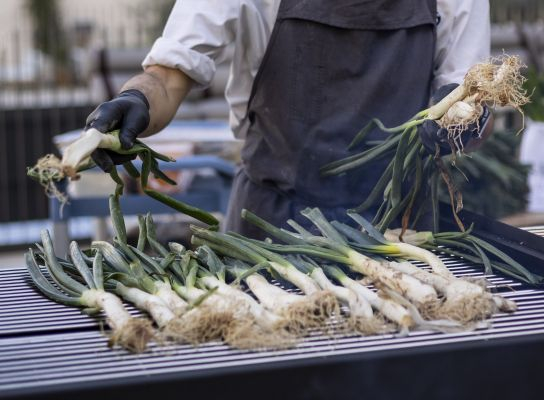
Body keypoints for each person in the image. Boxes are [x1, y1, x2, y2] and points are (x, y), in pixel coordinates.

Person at [86, 0, 493, 238]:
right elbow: (168, 79)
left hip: (401, 231)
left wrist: (464, 120)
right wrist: (136, 98)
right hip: (273, 227)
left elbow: (472, 95)